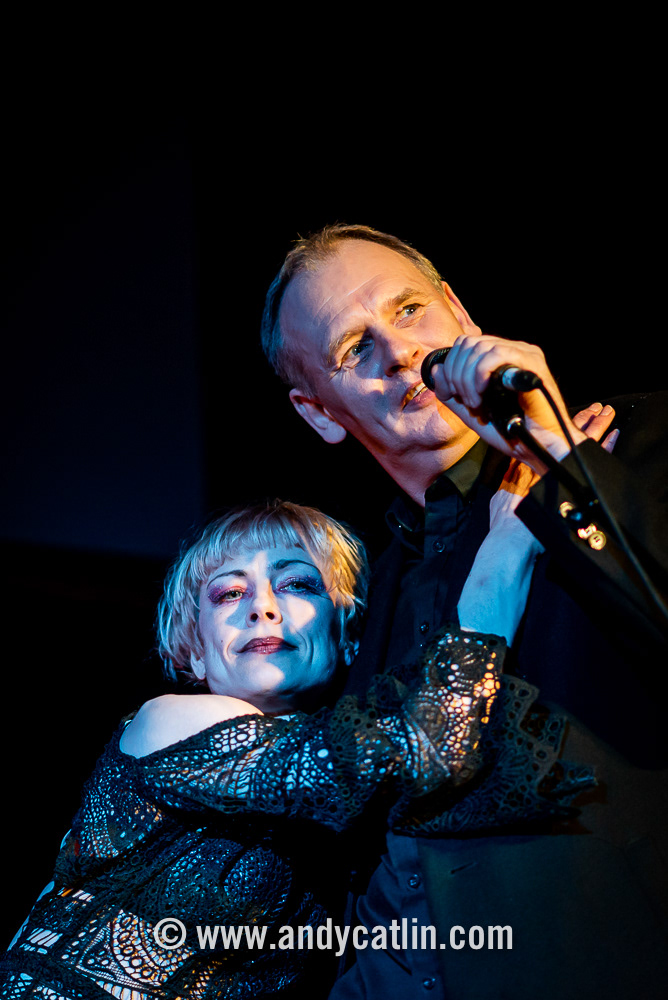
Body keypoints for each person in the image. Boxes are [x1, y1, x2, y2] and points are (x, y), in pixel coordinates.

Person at [260, 224, 668, 999]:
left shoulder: (634, 442)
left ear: (460, 313)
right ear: (318, 413)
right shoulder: (355, 605)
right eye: (355, 347)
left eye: (410, 309)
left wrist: (561, 464)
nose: (398, 352)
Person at [1, 498, 533, 1000]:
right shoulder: (171, 722)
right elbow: (425, 744)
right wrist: (505, 555)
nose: (262, 607)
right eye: (230, 593)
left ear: (348, 634)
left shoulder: (330, 795)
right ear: (195, 650)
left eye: (297, 584)